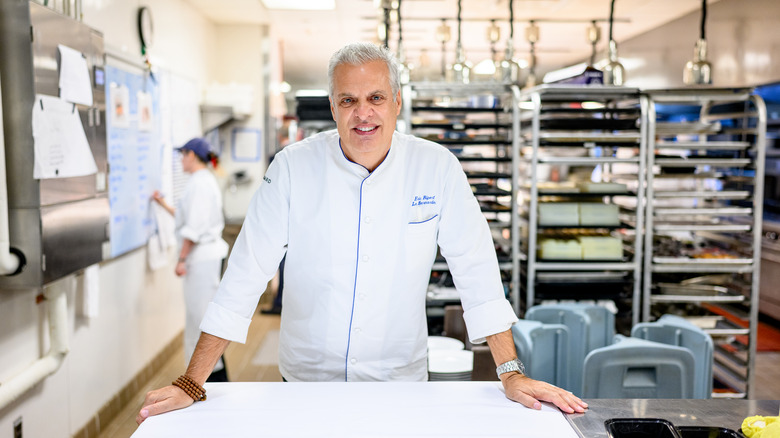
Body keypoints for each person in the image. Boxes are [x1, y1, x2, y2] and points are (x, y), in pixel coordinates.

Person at [137, 43, 587, 425]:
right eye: (348, 100)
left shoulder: (436, 168)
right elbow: (245, 275)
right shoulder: (293, 168)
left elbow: (477, 271)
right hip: (307, 381)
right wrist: (191, 381)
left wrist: (510, 372)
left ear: (397, 102)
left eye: (375, 97)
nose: (363, 113)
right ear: (333, 107)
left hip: (399, 381)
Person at [151, 137, 230, 382]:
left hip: (202, 260)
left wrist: (181, 259)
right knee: (200, 321)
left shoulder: (200, 183)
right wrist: (163, 204)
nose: (181, 160)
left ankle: (213, 381)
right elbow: (188, 218)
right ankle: (209, 379)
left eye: (182, 155)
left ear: (192, 156)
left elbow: (193, 229)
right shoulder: (202, 181)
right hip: (205, 258)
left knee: (202, 323)